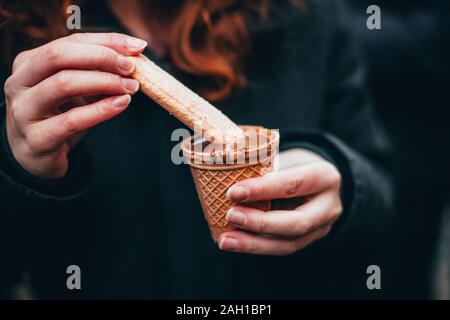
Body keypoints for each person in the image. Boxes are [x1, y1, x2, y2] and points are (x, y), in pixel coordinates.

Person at [0, 0, 392, 299]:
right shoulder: (14, 30)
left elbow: (383, 195)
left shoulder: (307, 15)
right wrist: (18, 169)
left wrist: (342, 185)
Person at [347, 0, 450, 298]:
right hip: (343, 131)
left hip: (411, 145)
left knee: (398, 272)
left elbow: (436, 36)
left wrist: (329, 30)